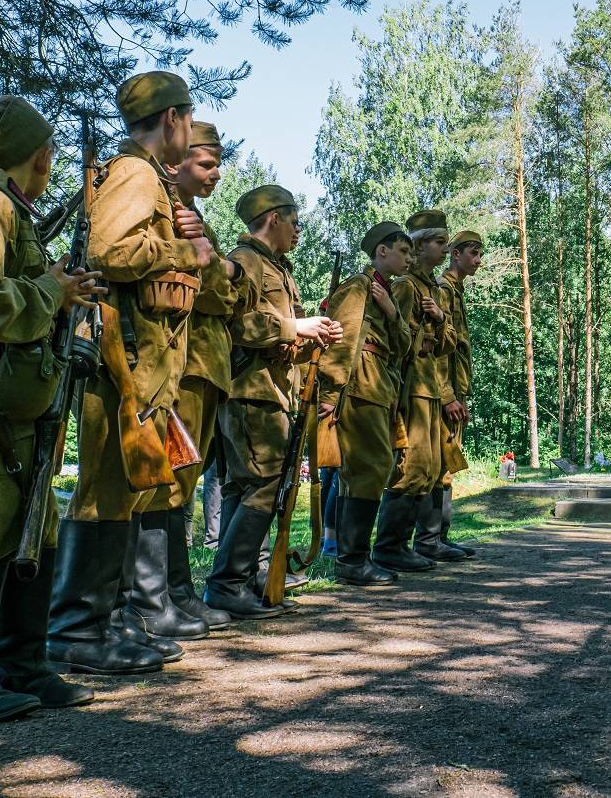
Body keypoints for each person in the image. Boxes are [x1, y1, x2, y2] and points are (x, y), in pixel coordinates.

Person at [48, 71, 210, 676]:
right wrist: (180, 252)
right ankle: (75, 631)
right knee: (105, 490)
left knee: (125, 489)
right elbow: (110, 251)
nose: (189, 130)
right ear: (172, 119)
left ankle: (109, 621)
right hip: (123, 364)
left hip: (141, 365)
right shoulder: (137, 174)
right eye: (188, 119)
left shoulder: (153, 181)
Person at [0, 97, 99, 720]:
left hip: (17, 407)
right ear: (39, 155)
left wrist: (63, 293)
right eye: (49, 152)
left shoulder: (10, 211)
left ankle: (23, 662)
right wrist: (52, 288)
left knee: (30, 528)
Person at [127, 122, 242, 639]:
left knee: (184, 482)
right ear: (176, 162)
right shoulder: (163, 212)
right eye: (207, 162)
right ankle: (153, 599)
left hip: (204, 367)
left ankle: (177, 592)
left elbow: (224, 296)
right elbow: (211, 296)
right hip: (180, 365)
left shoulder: (196, 221)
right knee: (165, 482)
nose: (216, 174)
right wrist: (216, 270)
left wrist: (216, 265)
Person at [204, 185, 339, 617]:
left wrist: (309, 336)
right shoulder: (246, 262)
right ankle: (227, 582)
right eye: (295, 221)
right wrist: (296, 327)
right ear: (273, 219)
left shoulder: (274, 267)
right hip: (250, 392)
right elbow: (240, 323)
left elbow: (275, 337)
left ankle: (246, 577)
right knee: (263, 484)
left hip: (268, 390)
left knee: (243, 487)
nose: (300, 230)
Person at [320, 222, 413, 586]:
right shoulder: (359, 287)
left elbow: (403, 347)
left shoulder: (386, 294)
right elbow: (340, 339)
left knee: (370, 469)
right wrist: (330, 393)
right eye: (403, 251)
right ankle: (352, 559)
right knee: (367, 468)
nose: (409, 258)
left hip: (379, 385)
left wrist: (391, 312)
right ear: (381, 251)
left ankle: (354, 558)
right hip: (360, 384)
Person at [379, 209, 459, 569]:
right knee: (411, 466)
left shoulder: (432, 290)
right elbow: (394, 341)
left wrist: (439, 320)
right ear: (420, 245)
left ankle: (408, 546)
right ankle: (389, 547)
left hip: (428, 385)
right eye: (440, 243)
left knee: (429, 467)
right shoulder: (406, 286)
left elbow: (448, 345)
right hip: (410, 386)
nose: (445, 249)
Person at [415, 230, 483, 560]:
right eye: (472, 252)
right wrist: (447, 396)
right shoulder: (442, 289)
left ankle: (439, 537)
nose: (478, 259)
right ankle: (429, 541)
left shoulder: (454, 291)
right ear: (455, 255)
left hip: (456, 391)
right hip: (444, 393)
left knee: (446, 465)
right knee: (437, 464)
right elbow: (437, 352)